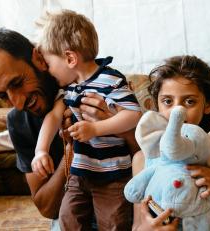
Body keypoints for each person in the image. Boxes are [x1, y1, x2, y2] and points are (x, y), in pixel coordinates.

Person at [0, 28, 138, 227]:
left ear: (37, 58)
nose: (18, 103)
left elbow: (149, 162)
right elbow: (47, 207)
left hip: (118, 194)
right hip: (75, 201)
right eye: (3, 96)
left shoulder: (92, 85)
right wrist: (72, 149)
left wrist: (113, 127)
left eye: (18, 82)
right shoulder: (19, 121)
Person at [33, 10, 142, 230]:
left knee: (113, 222)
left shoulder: (109, 79)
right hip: (79, 173)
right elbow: (54, 116)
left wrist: (96, 128)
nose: (48, 71)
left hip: (112, 173)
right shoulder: (72, 89)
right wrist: (40, 150)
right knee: (68, 220)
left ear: (70, 58)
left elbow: (133, 114)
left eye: (49, 63)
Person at [131, 55, 210, 231]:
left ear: (209, 104)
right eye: (167, 101)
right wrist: (149, 228)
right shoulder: (143, 159)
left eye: (189, 101)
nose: (177, 111)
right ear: (157, 104)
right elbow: (137, 226)